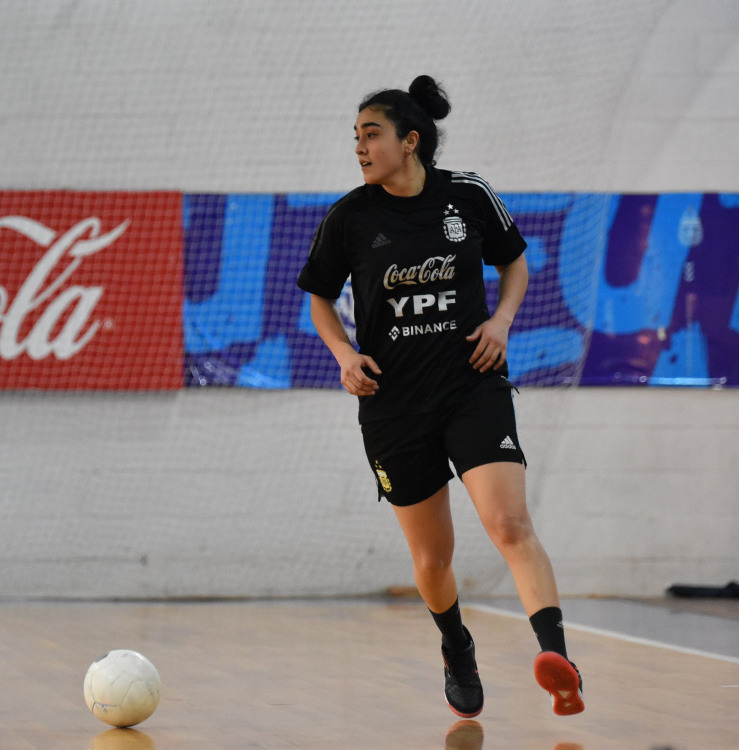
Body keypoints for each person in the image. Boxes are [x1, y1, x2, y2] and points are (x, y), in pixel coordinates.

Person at [296, 74, 584, 718]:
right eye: (356, 136)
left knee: (509, 524)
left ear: (411, 140)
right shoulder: (350, 216)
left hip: (471, 386)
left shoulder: (468, 195)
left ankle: (560, 662)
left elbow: (514, 262)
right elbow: (319, 297)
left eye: (372, 134)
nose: (360, 147)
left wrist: (502, 322)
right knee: (432, 558)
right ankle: (456, 646)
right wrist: (344, 355)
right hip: (394, 404)